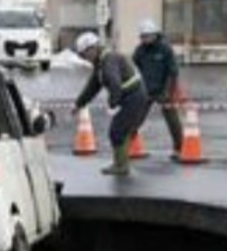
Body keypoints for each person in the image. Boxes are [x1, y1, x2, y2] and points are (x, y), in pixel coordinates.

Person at [71, 30, 150, 176]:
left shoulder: (109, 60)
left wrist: (113, 104)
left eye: (85, 54)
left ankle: (121, 166)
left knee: (117, 131)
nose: (85, 59)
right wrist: (79, 104)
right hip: (131, 97)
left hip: (134, 97)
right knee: (122, 131)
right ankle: (121, 163)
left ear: (93, 48)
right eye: (82, 56)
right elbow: (93, 86)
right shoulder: (101, 63)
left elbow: (115, 83)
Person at [133, 18, 183, 156]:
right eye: (143, 36)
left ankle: (179, 147)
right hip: (146, 89)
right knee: (135, 118)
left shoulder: (165, 49)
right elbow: (135, 67)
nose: (145, 39)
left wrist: (168, 91)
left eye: (147, 36)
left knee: (172, 120)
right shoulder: (140, 51)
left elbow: (173, 71)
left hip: (163, 89)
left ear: (155, 34)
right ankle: (128, 144)